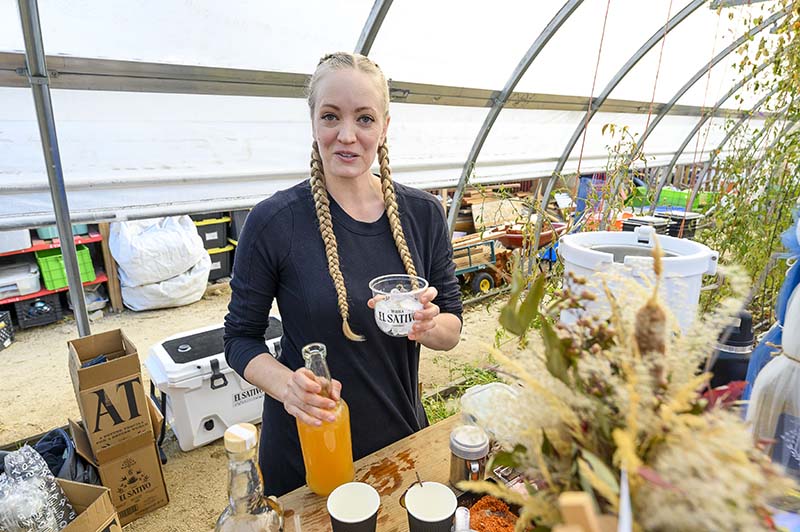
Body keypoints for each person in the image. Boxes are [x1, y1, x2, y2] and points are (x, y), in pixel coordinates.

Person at [224, 52, 463, 497]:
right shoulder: (275, 221)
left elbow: (452, 326)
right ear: (313, 121)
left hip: (398, 437)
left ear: (385, 126)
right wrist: (286, 387)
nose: (347, 136)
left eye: (365, 118)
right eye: (331, 116)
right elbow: (239, 338)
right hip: (307, 447)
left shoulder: (424, 215)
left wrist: (431, 327)